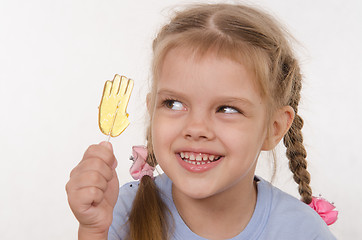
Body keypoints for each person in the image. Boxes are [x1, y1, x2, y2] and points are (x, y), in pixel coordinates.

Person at [66, 3, 338, 240]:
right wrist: (92, 231)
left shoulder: (301, 231)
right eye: (173, 104)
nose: (196, 128)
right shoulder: (121, 212)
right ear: (152, 113)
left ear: (274, 128)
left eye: (227, 109)